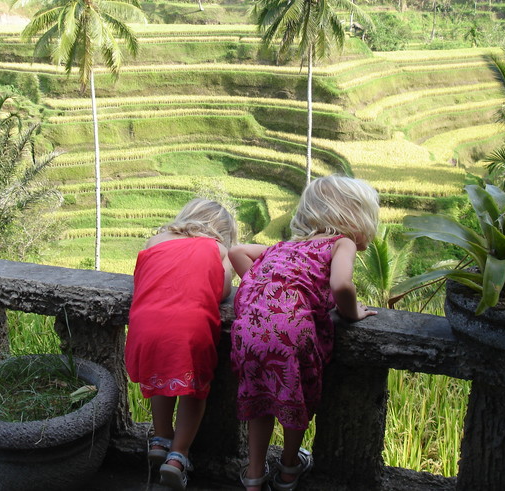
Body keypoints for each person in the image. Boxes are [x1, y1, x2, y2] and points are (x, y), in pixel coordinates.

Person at [229, 175, 380, 491]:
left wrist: (264, 289)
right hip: (292, 334)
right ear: (358, 216)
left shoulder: (285, 246)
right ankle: (288, 468)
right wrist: (353, 312)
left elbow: (237, 252)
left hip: (249, 330)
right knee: (296, 397)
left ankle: (254, 476)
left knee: (260, 400)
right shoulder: (342, 243)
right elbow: (341, 285)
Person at [124, 198, 237, 491]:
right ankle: (178, 455)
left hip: (144, 327)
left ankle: (160, 439)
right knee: (194, 392)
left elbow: (142, 279)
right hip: (189, 329)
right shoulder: (218, 248)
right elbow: (222, 291)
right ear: (222, 231)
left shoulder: (155, 240)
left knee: (161, 380)